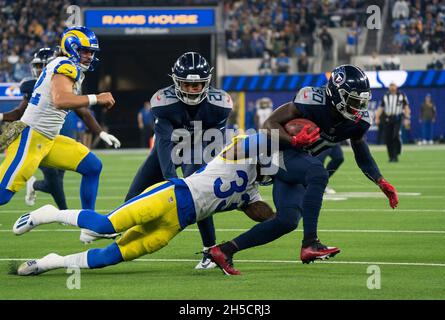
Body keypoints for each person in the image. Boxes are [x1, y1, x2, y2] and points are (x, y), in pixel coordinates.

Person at [206, 65, 399, 275]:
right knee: (318, 173)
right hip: (277, 152)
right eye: (353, 101)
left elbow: (361, 151)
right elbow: (269, 124)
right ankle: (311, 243)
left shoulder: (358, 122)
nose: (358, 108)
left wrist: (380, 180)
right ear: (336, 93)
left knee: (286, 221)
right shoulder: (311, 100)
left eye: (361, 101)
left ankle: (224, 251)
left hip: (298, 163)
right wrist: (294, 139)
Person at [13, 135, 275, 276]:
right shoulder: (239, 152)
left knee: (111, 257)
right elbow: (249, 142)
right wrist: (273, 140)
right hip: (172, 195)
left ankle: (50, 262)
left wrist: (284, 213)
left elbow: (263, 215)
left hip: (177, 224)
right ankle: (48, 213)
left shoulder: (252, 192)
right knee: (106, 225)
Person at [0, 27, 120, 244]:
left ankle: (89, 226)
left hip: (48, 139)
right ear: (72, 47)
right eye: (84, 51)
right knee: (2, 195)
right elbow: (61, 100)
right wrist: (97, 97)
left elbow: (77, 106)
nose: (89, 56)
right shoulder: (65, 66)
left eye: (91, 52)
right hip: (32, 137)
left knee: (92, 166)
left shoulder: (68, 66)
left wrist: (100, 132)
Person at [125, 52, 232, 270]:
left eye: (198, 85)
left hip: (198, 147)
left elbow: (215, 145)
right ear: (176, 82)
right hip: (169, 145)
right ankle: (114, 228)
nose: (193, 90)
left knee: (199, 195)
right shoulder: (164, 102)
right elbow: (163, 143)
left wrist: (206, 174)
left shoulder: (219, 104)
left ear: (207, 83)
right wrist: (171, 179)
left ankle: (210, 249)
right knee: (132, 197)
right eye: (187, 84)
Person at [375, 82, 410, 162]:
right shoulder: (385, 96)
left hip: (398, 118)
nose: (392, 87)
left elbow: (406, 107)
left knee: (395, 136)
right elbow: (381, 108)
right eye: (390, 85)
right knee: (388, 138)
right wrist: (377, 117)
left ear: (396, 86)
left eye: (393, 85)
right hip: (387, 119)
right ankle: (391, 157)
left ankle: (396, 154)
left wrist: (407, 118)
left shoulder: (401, 95)